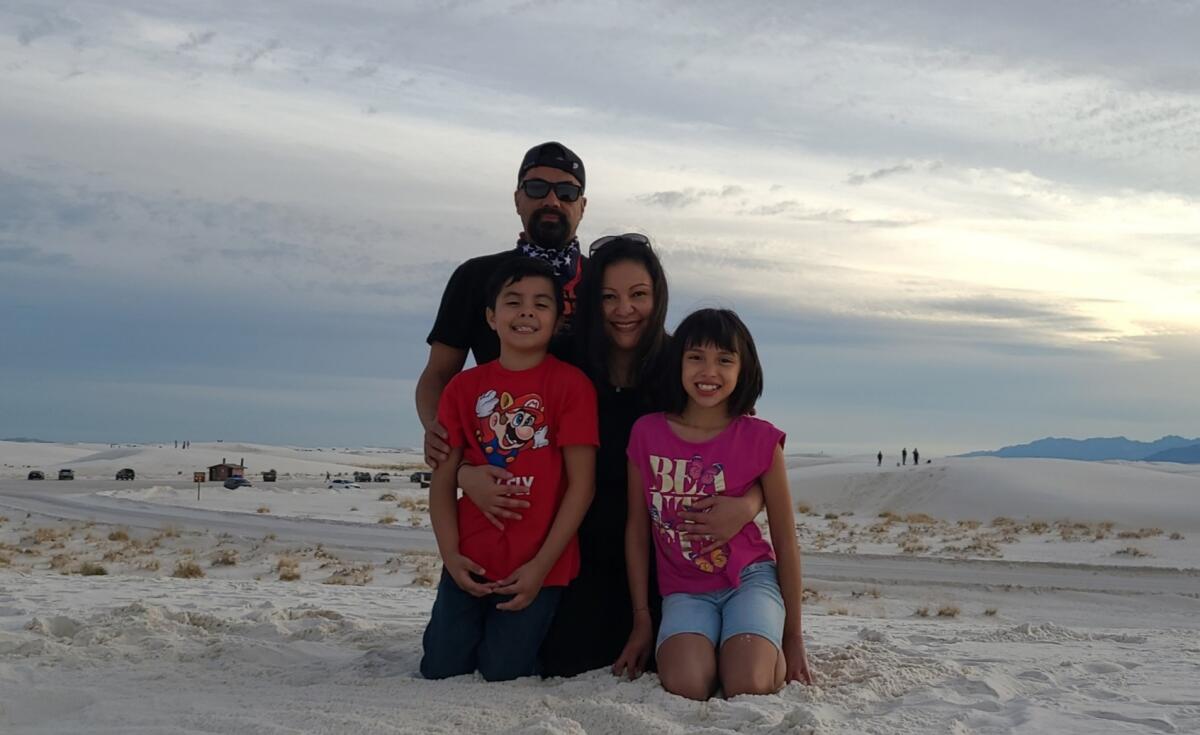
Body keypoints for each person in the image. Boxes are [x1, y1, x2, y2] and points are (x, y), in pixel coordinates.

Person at [458, 235, 763, 678]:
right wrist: (466, 473)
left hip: (665, 558)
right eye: (609, 297)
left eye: (638, 295)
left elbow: (744, 446)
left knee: (682, 667)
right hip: (576, 551)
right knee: (565, 662)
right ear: (589, 302)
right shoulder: (561, 362)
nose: (624, 310)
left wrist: (749, 504)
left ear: (657, 299)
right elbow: (487, 424)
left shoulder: (684, 368)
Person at [614, 308, 814, 699]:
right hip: (684, 591)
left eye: (724, 360)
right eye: (696, 358)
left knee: (748, 683)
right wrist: (642, 620)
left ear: (744, 369)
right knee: (687, 684)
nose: (709, 372)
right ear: (678, 364)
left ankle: (751, 644)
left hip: (749, 581)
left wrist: (794, 637)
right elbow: (636, 530)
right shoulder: (647, 433)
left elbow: (786, 542)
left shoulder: (762, 439)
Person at [419, 258, 598, 681]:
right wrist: (451, 555)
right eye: (513, 302)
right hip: (470, 556)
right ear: (490, 317)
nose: (526, 312)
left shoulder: (571, 387)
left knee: (505, 671)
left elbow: (582, 486)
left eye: (541, 304)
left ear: (557, 320)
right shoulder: (463, 388)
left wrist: (540, 568)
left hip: (537, 565)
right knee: (442, 668)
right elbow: (443, 482)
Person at [417, 142, 589, 470]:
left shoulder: (607, 284)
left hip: (595, 468)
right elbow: (438, 374)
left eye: (567, 191)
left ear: (582, 206)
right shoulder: (476, 276)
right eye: (537, 188)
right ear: (517, 199)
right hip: (504, 469)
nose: (552, 200)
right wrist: (453, 456)